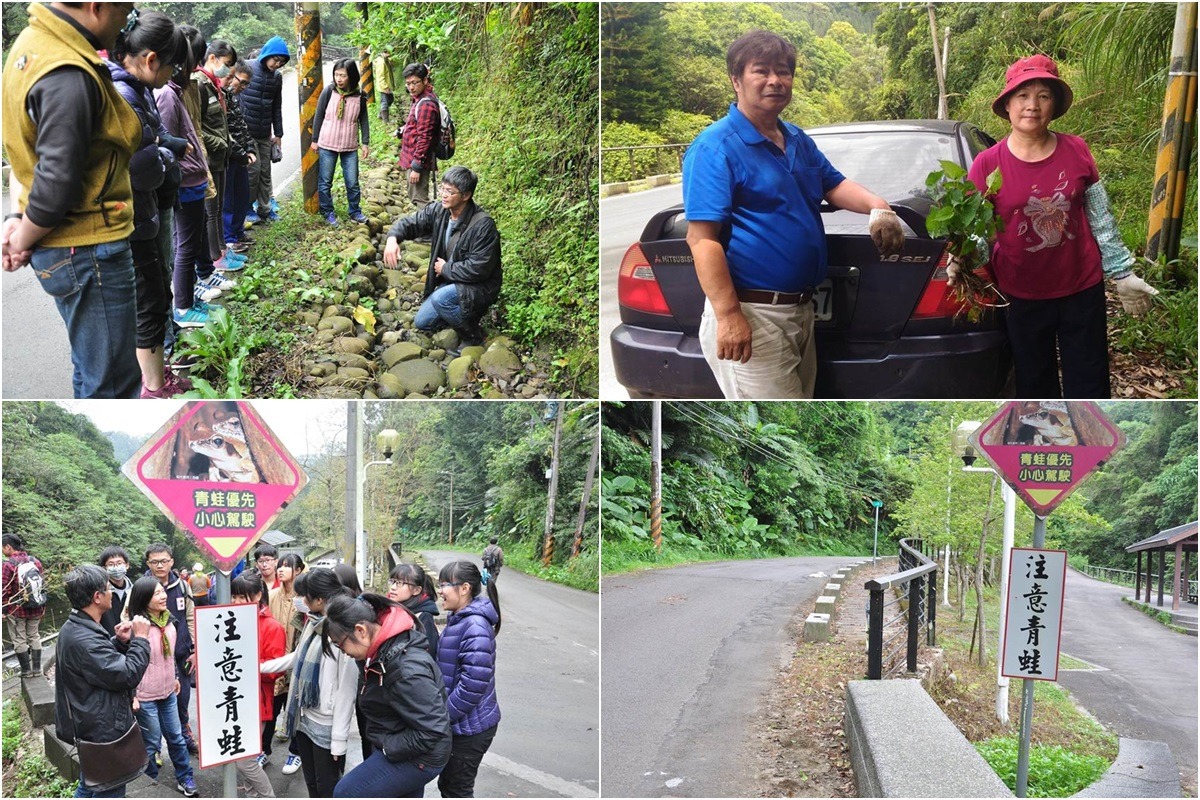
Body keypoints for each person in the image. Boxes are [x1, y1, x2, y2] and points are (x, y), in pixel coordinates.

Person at [682, 30, 905, 400]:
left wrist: (878, 205)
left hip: (800, 311)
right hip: (753, 315)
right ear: (736, 80)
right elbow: (702, 239)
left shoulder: (797, 139)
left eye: (783, 71)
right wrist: (729, 315)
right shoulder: (714, 147)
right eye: (761, 71)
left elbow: (834, 184)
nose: (775, 80)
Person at [956, 55, 1159, 398]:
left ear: (1054, 105)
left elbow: (1100, 217)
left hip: (1081, 288)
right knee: (1035, 386)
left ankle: (1088, 433)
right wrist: (962, 257)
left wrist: (1122, 273)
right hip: (1021, 293)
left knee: (1090, 381)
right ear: (1007, 105)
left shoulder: (1076, 150)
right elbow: (976, 229)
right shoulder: (988, 164)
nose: (1032, 105)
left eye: (1043, 96)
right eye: (1022, 96)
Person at [1, 1, 143, 398]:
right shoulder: (67, 71)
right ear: (98, 6)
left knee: (91, 366)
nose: (125, 23)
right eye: (125, 11)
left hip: (68, 250)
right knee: (112, 384)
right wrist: (20, 240)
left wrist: (15, 218)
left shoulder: (31, 45)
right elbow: (55, 183)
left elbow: (25, 153)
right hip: (88, 250)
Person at [105, 10, 193, 399]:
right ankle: (153, 388)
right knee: (148, 302)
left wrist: (161, 149)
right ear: (152, 59)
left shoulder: (137, 89)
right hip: (132, 216)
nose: (173, 75)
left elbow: (155, 142)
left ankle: (158, 378)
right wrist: (165, 154)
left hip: (144, 212)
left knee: (156, 296)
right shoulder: (125, 95)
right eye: (173, 67)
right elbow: (144, 169)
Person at [326, 593, 451, 798]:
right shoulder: (377, 651)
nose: (343, 651)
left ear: (361, 630)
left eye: (340, 644)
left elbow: (433, 730)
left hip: (422, 755)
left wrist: (387, 747)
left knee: (346, 792)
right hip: (401, 740)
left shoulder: (407, 669)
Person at [55, 563, 153, 798]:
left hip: (91, 722)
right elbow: (127, 674)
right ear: (97, 597)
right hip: (102, 729)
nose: (111, 593)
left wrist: (118, 642)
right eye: (108, 588)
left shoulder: (75, 627)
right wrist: (140, 639)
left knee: (92, 783)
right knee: (109, 786)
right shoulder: (85, 639)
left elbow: (97, 667)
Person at [260, 569, 358, 797]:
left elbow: (347, 690)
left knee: (328, 788)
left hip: (326, 724)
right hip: (303, 717)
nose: (301, 601)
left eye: (305, 596)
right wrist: (260, 667)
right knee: (312, 784)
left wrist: (339, 740)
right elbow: (297, 656)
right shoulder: (313, 623)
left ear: (320, 599)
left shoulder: (344, 631)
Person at [383, 166, 501, 346]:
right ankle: (459, 311)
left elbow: (479, 268)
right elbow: (412, 223)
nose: (443, 195)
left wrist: (445, 268)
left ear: (466, 195)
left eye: (450, 192)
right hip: (453, 279)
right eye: (442, 189)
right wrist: (393, 238)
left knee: (441, 299)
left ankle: (474, 335)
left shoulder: (483, 226)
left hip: (480, 286)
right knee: (422, 322)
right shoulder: (439, 211)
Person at [156, 44, 225, 330]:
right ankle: (183, 306)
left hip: (193, 178)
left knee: (191, 240)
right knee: (185, 245)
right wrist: (188, 166)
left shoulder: (177, 92)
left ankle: (190, 297)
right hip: (185, 180)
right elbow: (169, 145)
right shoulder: (167, 95)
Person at [125, 577, 198, 797]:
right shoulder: (136, 627)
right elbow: (127, 664)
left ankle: (185, 777)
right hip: (144, 695)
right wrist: (132, 694)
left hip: (167, 692)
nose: (163, 596)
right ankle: (150, 785)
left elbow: (170, 656)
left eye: (162, 592)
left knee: (176, 738)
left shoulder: (169, 621)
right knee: (151, 743)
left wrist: (175, 676)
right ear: (144, 599)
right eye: (157, 593)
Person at [435, 561, 502, 798]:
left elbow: (471, 686)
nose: (440, 591)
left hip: (471, 728)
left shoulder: (475, 626)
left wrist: (442, 717)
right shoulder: (459, 618)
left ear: (464, 588)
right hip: (462, 724)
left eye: (444, 585)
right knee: (450, 786)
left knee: (456, 789)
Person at [195, 40, 247, 274]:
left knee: (217, 208)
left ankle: (222, 250)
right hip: (211, 157)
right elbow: (197, 127)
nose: (227, 70)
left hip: (222, 157)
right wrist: (222, 143)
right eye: (226, 63)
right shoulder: (199, 84)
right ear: (212, 58)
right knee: (211, 212)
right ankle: (215, 257)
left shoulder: (214, 85)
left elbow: (221, 124)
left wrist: (229, 144)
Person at [141, 543, 198, 754]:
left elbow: (191, 617)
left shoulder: (182, 586)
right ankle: (154, 747)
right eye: (154, 562)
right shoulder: (142, 587)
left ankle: (185, 735)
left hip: (180, 654)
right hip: (151, 659)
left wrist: (194, 649)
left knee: (182, 700)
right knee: (151, 704)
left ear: (171, 562)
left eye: (164, 561)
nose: (159, 565)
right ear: (148, 563)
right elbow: (129, 616)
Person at [230, 572, 282, 796]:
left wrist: (246, 663)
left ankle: (268, 796)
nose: (236, 602)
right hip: (233, 698)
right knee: (240, 756)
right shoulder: (229, 621)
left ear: (258, 595)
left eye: (242, 597)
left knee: (245, 761)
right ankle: (252, 795)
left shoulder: (272, 627)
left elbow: (275, 670)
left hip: (256, 701)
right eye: (234, 597)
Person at [311, 58, 371, 226]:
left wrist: (365, 143)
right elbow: (319, 115)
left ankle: (355, 212)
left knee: (352, 182)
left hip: (350, 145)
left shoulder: (359, 96)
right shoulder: (328, 92)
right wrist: (315, 139)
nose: (339, 79)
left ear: (351, 76)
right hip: (327, 143)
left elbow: (364, 120)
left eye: (343, 75)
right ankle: (327, 211)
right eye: (336, 75)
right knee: (325, 181)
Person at [241, 36, 290, 224]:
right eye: (276, 59)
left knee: (265, 172)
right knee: (252, 172)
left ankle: (265, 208)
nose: (277, 64)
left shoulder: (276, 77)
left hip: (264, 132)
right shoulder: (247, 68)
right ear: (267, 54)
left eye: (281, 62)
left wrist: (278, 134)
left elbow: (276, 105)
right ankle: (247, 208)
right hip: (246, 131)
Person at [268, 552, 306, 774]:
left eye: (286, 566)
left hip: (295, 661)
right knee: (270, 708)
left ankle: (295, 753)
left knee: (295, 711)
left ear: (298, 570)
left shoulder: (304, 599)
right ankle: (264, 750)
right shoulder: (272, 595)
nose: (280, 570)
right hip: (274, 661)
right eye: (279, 566)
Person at [221, 60, 257, 251]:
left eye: (246, 84)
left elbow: (242, 127)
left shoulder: (233, 98)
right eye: (240, 81)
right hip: (228, 157)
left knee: (242, 196)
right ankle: (229, 238)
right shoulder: (220, 96)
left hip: (240, 156)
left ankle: (237, 232)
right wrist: (242, 153)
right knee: (228, 199)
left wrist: (249, 149)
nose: (242, 86)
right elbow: (224, 133)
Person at [2, 533, 46, 678]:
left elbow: (4, 589)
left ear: (8, 547)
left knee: (19, 638)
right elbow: (43, 585)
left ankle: (26, 671)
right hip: (36, 607)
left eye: (2, 547)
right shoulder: (35, 561)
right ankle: (37, 670)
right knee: (34, 635)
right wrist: (43, 606)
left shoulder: (8, 565)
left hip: (17, 610)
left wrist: (4, 610)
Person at [398, 63, 440, 211]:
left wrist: (416, 166)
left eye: (415, 83)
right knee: (416, 196)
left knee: (419, 199)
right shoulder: (419, 98)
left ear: (425, 80)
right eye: (408, 83)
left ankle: (430, 223)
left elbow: (425, 137)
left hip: (418, 159)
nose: (411, 87)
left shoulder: (426, 104)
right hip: (413, 157)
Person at [386, 563, 440, 656]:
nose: (393, 587)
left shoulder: (423, 617)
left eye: (400, 583)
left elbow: (427, 655)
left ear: (417, 590)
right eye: (392, 581)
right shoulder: (390, 609)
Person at [98, 546, 136, 635]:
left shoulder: (135, 591)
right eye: (111, 564)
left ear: (127, 565)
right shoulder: (101, 593)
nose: (116, 567)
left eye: (119, 563)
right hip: (106, 640)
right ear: (104, 568)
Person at [372, 48, 395, 124]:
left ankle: (381, 115)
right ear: (386, 52)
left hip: (386, 85)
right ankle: (386, 121)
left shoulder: (385, 60)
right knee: (385, 102)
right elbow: (380, 76)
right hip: (383, 86)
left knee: (390, 99)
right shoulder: (381, 62)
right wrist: (385, 87)